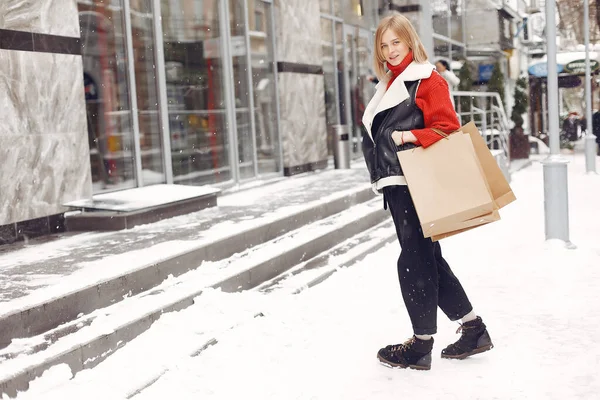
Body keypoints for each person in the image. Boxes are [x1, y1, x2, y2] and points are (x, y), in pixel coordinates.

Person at [361, 13, 493, 371]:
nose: (389, 51)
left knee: (415, 261)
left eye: (396, 43)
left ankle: (421, 345)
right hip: (398, 183)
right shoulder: (389, 83)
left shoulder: (427, 80)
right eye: (384, 45)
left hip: (415, 182)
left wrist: (408, 137)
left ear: (409, 41)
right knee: (428, 258)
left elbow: (447, 128)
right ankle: (473, 328)